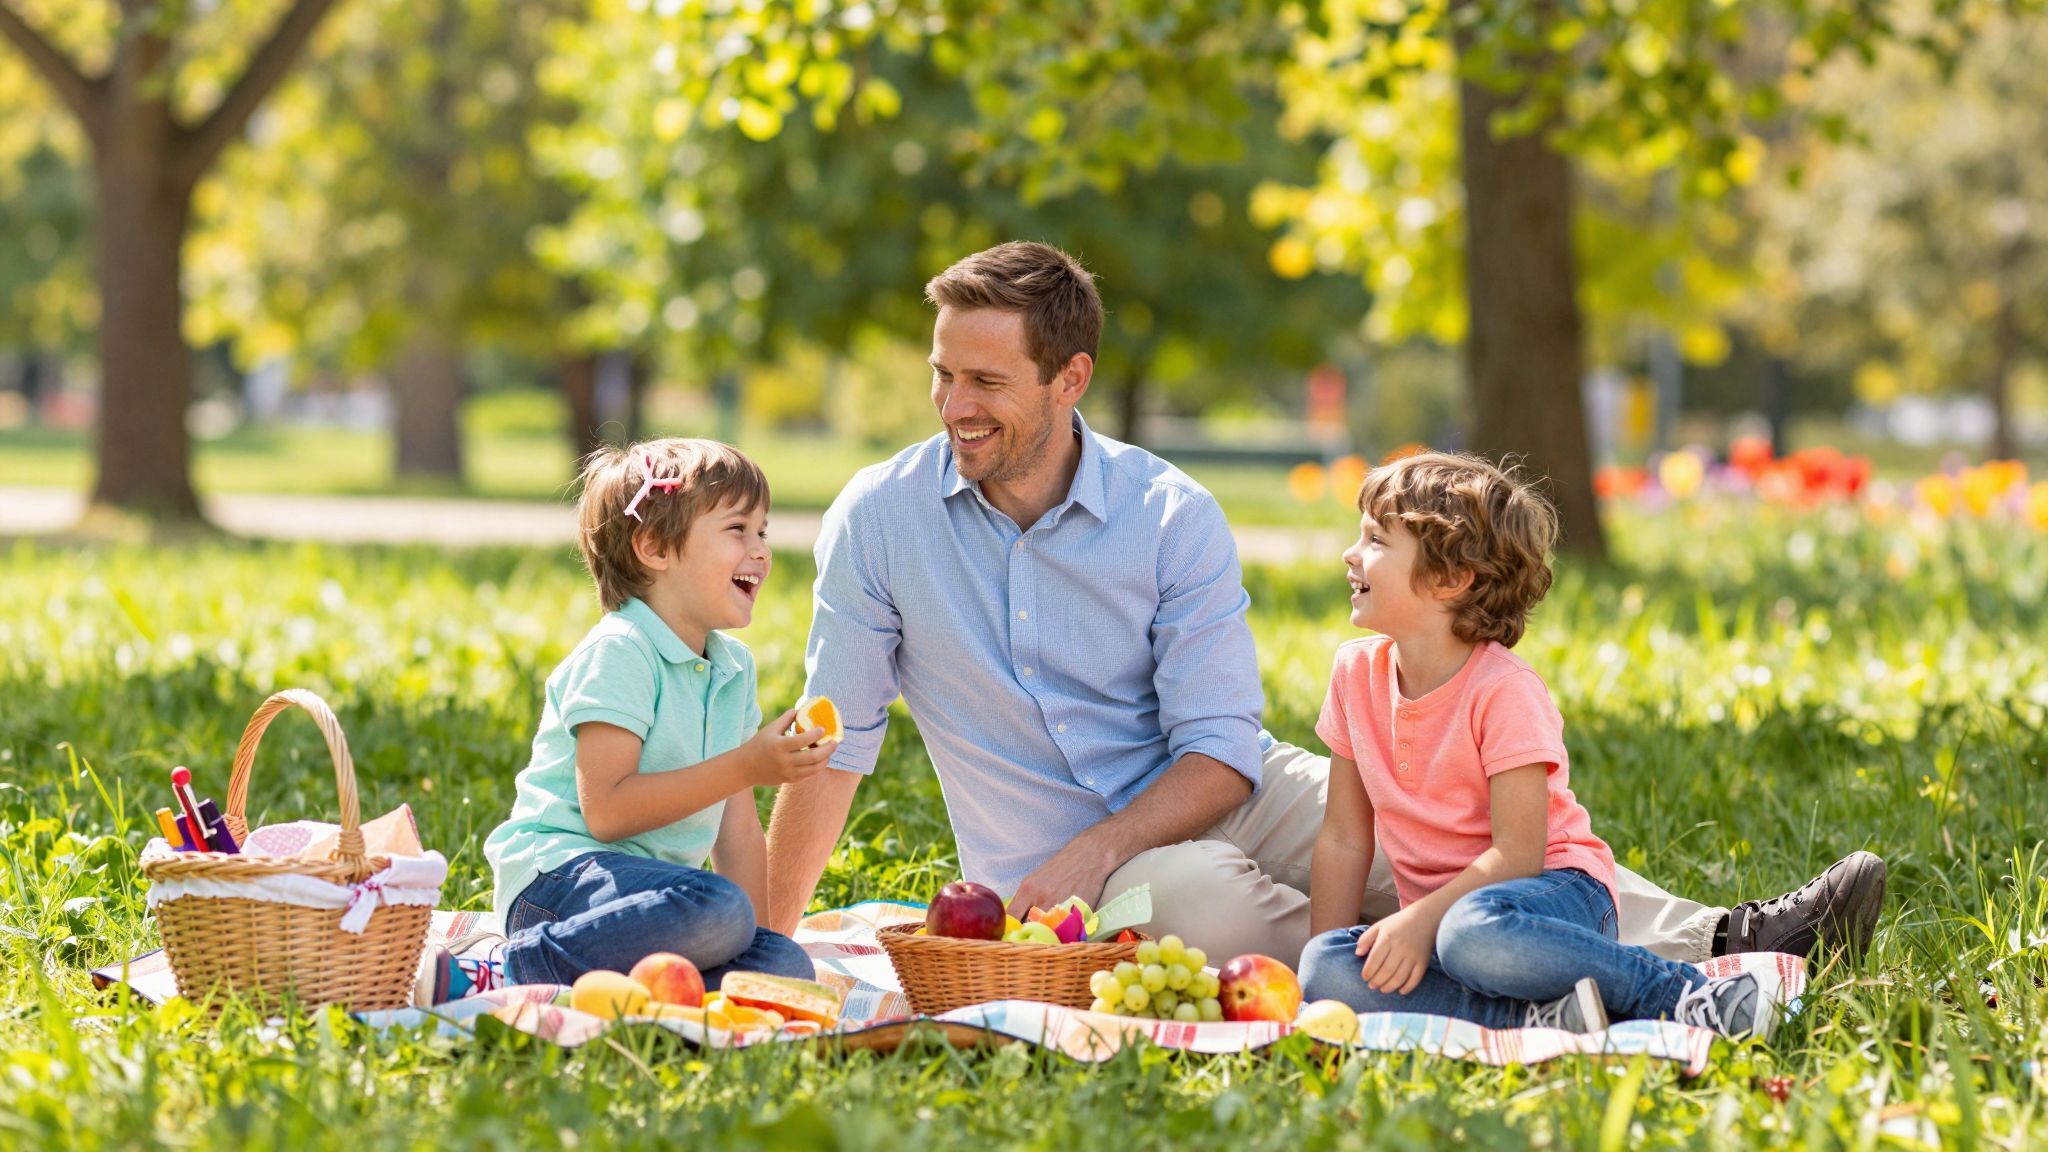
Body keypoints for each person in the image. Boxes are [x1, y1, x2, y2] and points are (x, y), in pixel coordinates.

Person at [764, 240, 1887, 968]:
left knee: (1437, 823)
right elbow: (836, 744)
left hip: (1210, 794)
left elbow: (1215, 753)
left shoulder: (1167, 514)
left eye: (985, 382)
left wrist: (1113, 838)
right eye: (941, 374)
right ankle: (1423, 967)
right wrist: (770, 939)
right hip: (1060, 870)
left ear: (1069, 381)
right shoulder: (881, 518)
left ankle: (1725, 939)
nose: (953, 406)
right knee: (1195, 903)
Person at [1297, 451, 1825, 1037]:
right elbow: (1344, 838)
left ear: (1450, 579)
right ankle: (1542, 1019)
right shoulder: (1354, 674)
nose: (1351, 552)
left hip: (1555, 898)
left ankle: (1685, 992)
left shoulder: (1503, 690)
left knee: (1470, 931)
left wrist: (1422, 921)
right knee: (1326, 967)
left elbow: (1519, 854)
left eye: (1376, 540)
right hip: (1452, 923)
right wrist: (1317, 983)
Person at [459, 439, 828, 994]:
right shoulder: (621, 651)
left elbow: (739, 831)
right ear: (654, 546)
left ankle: (624, 989)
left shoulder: (732, 669)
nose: (761, 551)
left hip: (651, 901)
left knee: (784, 967)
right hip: (558, 883)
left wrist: (758, 953)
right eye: (737, 530)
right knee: (719, 909)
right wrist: (746, 766)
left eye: (763, 531)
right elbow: (606, 811)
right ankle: (507, 969)